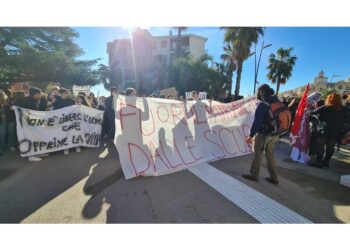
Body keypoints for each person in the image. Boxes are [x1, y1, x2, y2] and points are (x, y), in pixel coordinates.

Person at [242, 84, 281, 185]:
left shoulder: (263, 104)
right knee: (270, 154)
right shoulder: (277, 102)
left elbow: (257, 121)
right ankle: (274, 178)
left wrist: (251, 135)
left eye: (258, 91)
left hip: (263, 133)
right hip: (275, 133)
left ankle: (254, 175)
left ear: (262, 92)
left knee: (257, 153)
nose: (258, 93)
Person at [308, 93, 349, 168]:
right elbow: (347, 120)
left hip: (323, 130)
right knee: (331, 147)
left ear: (329, 99)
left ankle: (318, 162)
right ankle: (326, 162)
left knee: (320, 147)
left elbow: (313, 112)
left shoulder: (325, 107)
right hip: (336, 131)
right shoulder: (345, 109)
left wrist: (307, 110)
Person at [22, 87, 49, 161]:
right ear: (35, 94)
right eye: (40, 93)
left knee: (37, 138)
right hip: (30, 124)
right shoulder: (27, 101)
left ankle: (38, 152)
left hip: (37, 123)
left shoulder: (37, 100)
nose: (41, 94)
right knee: (31, 138)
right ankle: (31, 156)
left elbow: (40, 110)